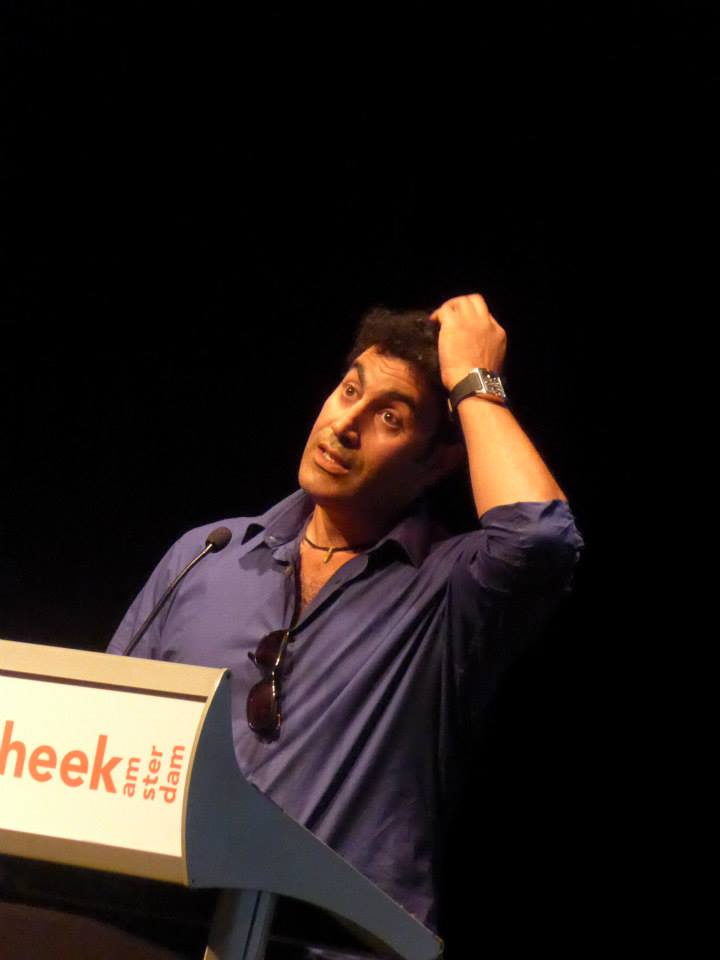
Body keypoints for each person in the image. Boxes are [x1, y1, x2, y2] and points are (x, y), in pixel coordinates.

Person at [108, 293, 583, 943]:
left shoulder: (449, 591)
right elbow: (103, 742)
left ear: (439, 459)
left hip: (333, 946)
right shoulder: (207, 555)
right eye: (349, 390)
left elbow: (541, 537)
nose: (345, 423)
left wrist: (475, 382)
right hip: (160, 932)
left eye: (389, 416)